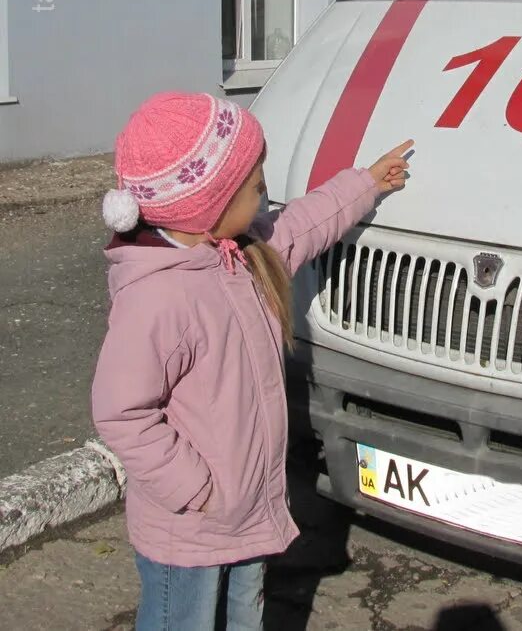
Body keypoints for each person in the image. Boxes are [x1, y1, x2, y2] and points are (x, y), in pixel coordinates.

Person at [91, 91, 412, 630]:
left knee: (244, 614)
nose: (266, 199)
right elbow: (122, 412)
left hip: (247, 509)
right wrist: (196, 489)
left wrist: (367, 183)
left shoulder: (243, 254)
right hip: (191, 525)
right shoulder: (159, 298)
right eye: (256, 187)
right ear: (207, 202)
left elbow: (305, 224)